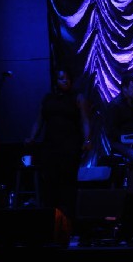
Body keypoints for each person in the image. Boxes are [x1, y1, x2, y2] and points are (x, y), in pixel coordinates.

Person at [25, 67, 91, 232]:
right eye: (62, 78)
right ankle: (50, 225)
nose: (65, 81)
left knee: (67, 186)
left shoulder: (77, 97)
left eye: (67, 78)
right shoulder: (48, 98)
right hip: (50, 147)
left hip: (70, 146)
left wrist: (87, 140)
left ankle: (69, 225)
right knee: (50, 185)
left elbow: (84, 120)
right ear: (55, 80)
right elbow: (39, 120)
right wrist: (31, 137)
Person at [105, 73, 133, 187]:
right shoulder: (115, 106)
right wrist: (127, 139)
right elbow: (111, 131)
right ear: (124, 88)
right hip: (119, 143)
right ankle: (132, 187)